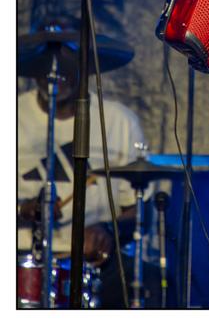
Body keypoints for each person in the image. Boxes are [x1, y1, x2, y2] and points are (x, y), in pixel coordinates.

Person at [17, 32, 155, 308]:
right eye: (48, 66)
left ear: (85, 68)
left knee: (152, 283)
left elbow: (142, 211)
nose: (56, 73)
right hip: (21, 257)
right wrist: (23, 210)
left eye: (66, 65)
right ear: (33, 69)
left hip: (97, 262)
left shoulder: (119, 121)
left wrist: (108, 229)